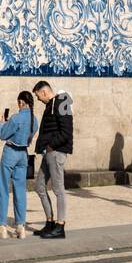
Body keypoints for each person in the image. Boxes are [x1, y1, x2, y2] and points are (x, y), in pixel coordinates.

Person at [0, 91, 38, 240]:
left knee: (3, 188)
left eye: (19, 103)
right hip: (23, 154)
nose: (18, 106)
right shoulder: (34, 120)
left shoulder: (16, 118)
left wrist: (1, 123)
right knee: (20, 190)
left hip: (11, 152)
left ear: (22, 102)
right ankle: (20, 227)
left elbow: (3, 135)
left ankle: (2, 227)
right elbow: (29, 138)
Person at [32, 80, 74, 239]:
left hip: (56, 152)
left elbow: (66, 132)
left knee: (58, 190)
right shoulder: (51, 105)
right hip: (48, 152)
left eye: (38, 96)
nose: (38, 99)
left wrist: (51, 146)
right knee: (39, 186)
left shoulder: (61, 101)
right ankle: (50, 222)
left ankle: (60, 226)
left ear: (43, 92)